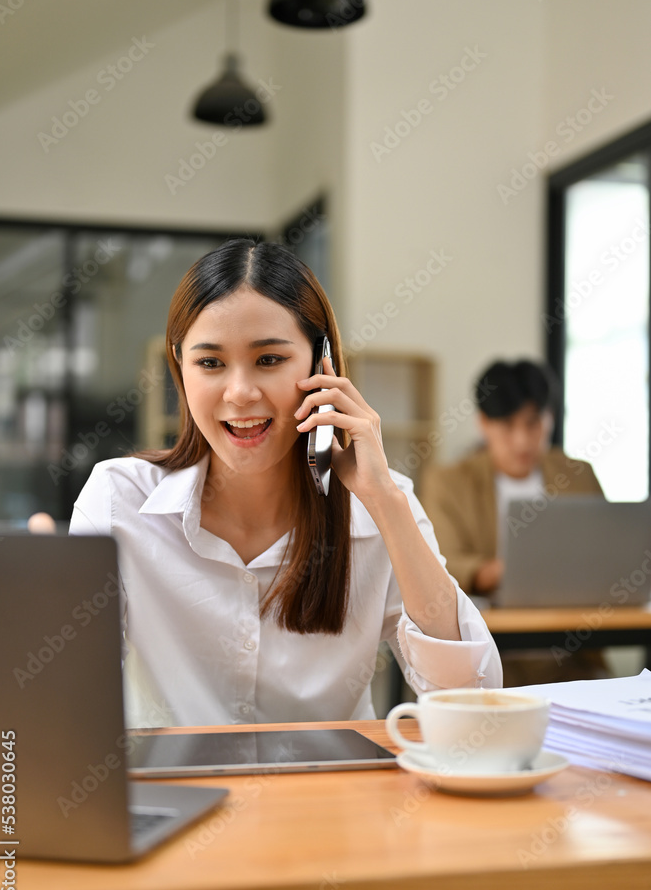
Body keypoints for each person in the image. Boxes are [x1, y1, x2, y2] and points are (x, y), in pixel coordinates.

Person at [67, 239, 502, 727]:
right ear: (181, 370)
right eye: (210, 363)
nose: (240, 392)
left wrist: (386, 503)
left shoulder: (380, 506)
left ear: (322, 366)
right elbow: (67, 697)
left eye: (269, 359)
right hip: (178, 798)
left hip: (332, 800)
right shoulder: (118, 500)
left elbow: (473, 700)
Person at [421, 359, 608, 684]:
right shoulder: (447, 482)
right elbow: (441, 566)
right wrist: (502, 572)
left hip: (574, 657)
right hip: (486, 657)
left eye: (533, 423)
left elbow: (607, 551)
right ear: (483, 423)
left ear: (549, 419)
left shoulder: (578, 474)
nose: (522, 440)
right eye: (507, 425)